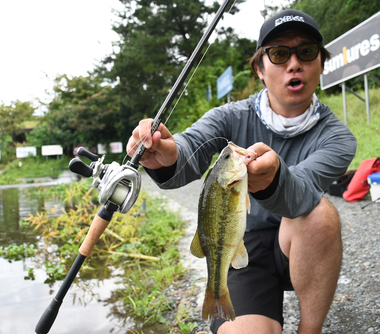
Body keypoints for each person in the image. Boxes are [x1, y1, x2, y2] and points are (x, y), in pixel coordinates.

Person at [126, 8, 356, 334]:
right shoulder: (228, 116)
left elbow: (302, 192)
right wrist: (166, 155)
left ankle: (310, 330)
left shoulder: (338, 139)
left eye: (306, 51)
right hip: (241, 253)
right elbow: (189, 147)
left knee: (320, 214)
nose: (294, 63)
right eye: (278, 53)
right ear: (260, 69)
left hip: (302, 250)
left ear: (321, 62)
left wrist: (274, 178)